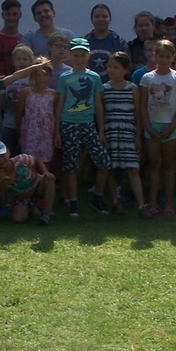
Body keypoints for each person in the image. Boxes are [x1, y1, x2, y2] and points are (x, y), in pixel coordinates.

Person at [55, 37, 112, 217]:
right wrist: (56, 130)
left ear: (88, 56)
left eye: (82, 55)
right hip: (68, 124)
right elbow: (60, 104)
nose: (79, 59)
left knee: (104, 162)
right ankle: (73, 201)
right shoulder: (65, 77)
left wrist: (101, 130)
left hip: (88, 124)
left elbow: (98, 104)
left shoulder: (94, 77)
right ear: (70, 56)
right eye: (76, 55)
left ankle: (97, 196)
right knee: (71, 165)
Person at [141, 39, 176, 216]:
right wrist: (148, 127)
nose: (164, 59)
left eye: (168, 56)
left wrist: (172, 127)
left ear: (173, 57)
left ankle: (169, 202)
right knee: (154, 164)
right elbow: (143, 105)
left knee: (169, 164)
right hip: (152, 125)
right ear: (155, 55)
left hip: (171, 125)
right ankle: (152, 202)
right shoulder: (147, 78)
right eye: (161, 56)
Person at [99, 52, 148, 217]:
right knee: (111, 168)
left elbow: (137, 114)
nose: (111, 70)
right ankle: (115, 201)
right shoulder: (104, 88)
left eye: (116, 67)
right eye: (109, 67)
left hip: (128, 132)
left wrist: (138, 135)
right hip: (111, 132)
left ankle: (141, 206)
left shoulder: (132, 88)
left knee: (133, 169)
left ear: (126, 70)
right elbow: (102, 113)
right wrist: (102, 133)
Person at [0, 139, 56, 225]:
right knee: (18, 218)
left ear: (8, 152)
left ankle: (47, 213)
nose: (1, 160)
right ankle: (32, 208)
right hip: (22, 196)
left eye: (2, 155)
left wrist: (45, 172)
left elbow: (36, 160)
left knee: (50, 179)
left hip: (37, 186)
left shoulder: (21, 159)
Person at [16, 58, 58, 169]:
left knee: (45, 163)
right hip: (29, 134)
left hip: (46, 134)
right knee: (28, 163)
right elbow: (19, 114)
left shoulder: (53, 94)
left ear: (50, 76)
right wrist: (19, 132)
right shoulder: (26, 92)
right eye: (38, 75)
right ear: (33, 75)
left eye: (45, 75)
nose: (41, 78)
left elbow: (55, 115)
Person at [0, 45, 35, 152]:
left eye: (25, 59)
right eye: (18, 59)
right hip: (9, 124)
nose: (21, 62)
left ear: (31, 62)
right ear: (13, 62)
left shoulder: (33, 80)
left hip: (29, 125)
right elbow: (2, 105)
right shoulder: (7, 80)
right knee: (8, 153)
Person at [84, 3, 129, 83]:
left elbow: (126, 67)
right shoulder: (84, 42)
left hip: (113, 87)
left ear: (110, 19)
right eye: (97, 16)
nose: (100, 19)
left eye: (104, 16)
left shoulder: (119, 42)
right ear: (91, 20)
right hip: (89, 87)